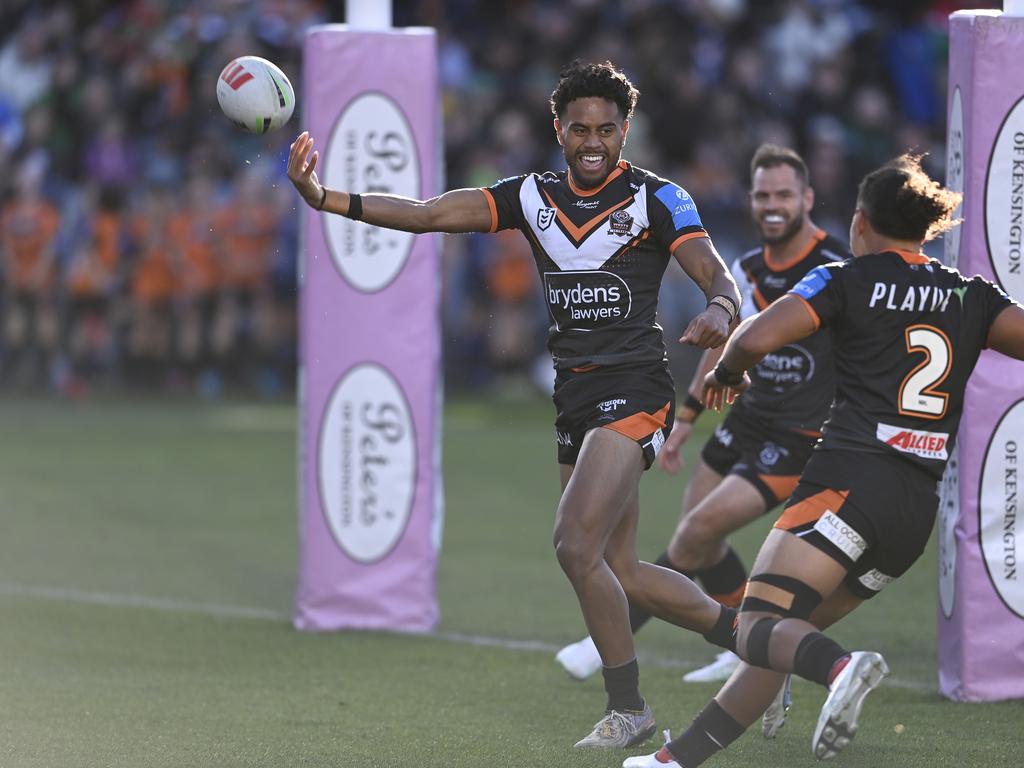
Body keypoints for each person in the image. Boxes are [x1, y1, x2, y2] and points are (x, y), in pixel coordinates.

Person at [287, 60, 744, 749]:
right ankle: (762, 648)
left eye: (607, 129)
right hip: (576, 397)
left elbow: (715, 272)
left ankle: (629, 709)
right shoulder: (531, 197)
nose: (593, 141)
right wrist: (324, 198)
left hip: (637, 390)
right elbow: (427, 214)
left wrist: (720, 306)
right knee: (619, 571)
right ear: (558, 129)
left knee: (572, 544)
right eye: (580, 128)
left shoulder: (659, 199)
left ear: (627, 131)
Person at [623, 154, 1024, 768]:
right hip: (913, 512)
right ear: (924, 229)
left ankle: (841, 668)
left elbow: (753, 336)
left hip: (848, 482)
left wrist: (728, 374)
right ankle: (673, 762)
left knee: (756, 621)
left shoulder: (845, 277)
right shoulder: (970, 296)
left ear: (860, 222)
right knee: (784, 636)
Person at [556, 146, 849, 726]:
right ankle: (756, 649)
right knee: (702, 542)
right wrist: (684, 422)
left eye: (783, 195)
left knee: (694, 533)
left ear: (807, 200)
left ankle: (614, 640)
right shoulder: (744, 266)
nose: (771, 206)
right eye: (762, 195)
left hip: (800, 432)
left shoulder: (835, 268)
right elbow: (723, 348)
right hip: (744, 420)